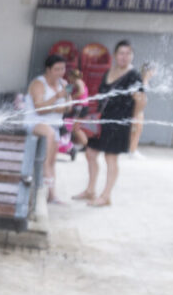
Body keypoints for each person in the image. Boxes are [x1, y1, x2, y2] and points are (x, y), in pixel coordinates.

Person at [74, 40, 144, 207]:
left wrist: (133, 119)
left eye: (128, 53)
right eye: (121, 53)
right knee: (90, 153)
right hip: (102, 121)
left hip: (119, 123)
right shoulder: (108, 72)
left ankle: (106, 196)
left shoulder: (134, 76)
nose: (124, 57)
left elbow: (141, 101)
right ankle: (90, 190)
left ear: (132, 56)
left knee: (110, 158)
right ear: (115, 55)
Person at [23, 53, 70, 204]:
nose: (60, 72)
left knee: (52, 162)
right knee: (47, 159)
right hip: (36, 122)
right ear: (48, 69)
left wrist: (62, 104)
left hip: (54, 125)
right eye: (57, 69)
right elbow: (39, 109)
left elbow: (68, 107)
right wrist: (57, 98)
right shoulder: (38, 83)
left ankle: (52, 194)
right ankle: (42, 190)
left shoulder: (64, 83)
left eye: (63, 69)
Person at [128, 61, 155, 158]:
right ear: (148, 71)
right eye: (153, 71)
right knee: (135, 129)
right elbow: (134, 94)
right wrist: (135, 113)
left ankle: (133, 149)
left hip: (140, 109)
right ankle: (132, 150)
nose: (153, 73)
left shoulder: (145, 80)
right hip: (136, 109)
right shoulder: (139, 80)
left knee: (138, 130)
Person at [64, 67, 89, 150]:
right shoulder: (72, 83)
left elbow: (81, 92)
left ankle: (87, 145)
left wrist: (72, 98)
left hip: (81, 107)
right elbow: (67, 92)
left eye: (69, 76)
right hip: (78, 107)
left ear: (72, 76)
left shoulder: (78, 81)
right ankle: (85, 145)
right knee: (74, 127)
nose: (68, 78)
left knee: (75, 128)